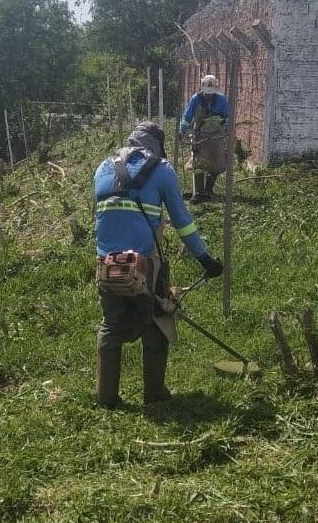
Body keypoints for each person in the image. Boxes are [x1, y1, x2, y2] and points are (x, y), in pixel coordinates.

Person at [93, 121, 224, 408]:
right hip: (144, 265)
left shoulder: (102, 169)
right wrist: (205, 259)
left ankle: (106, 398)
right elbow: (182, 222)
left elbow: (104, 221)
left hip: (105, 264)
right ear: (156, 146)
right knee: (156, 324)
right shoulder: (162, 170)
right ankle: (154, 395)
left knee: (111, 327)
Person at [179, 74, 230, 203]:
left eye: (211, 93)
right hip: (199, 133)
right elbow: (187, 116)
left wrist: (227, 127)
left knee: (216, 162)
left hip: (216, 135)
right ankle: (198, 193)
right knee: (199, 161)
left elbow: (227, 117)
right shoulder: (196, 99)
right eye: (206, 93)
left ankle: (208, 190)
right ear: (201, 87)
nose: (208, 95)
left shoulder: (222, 100)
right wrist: (182, 130)